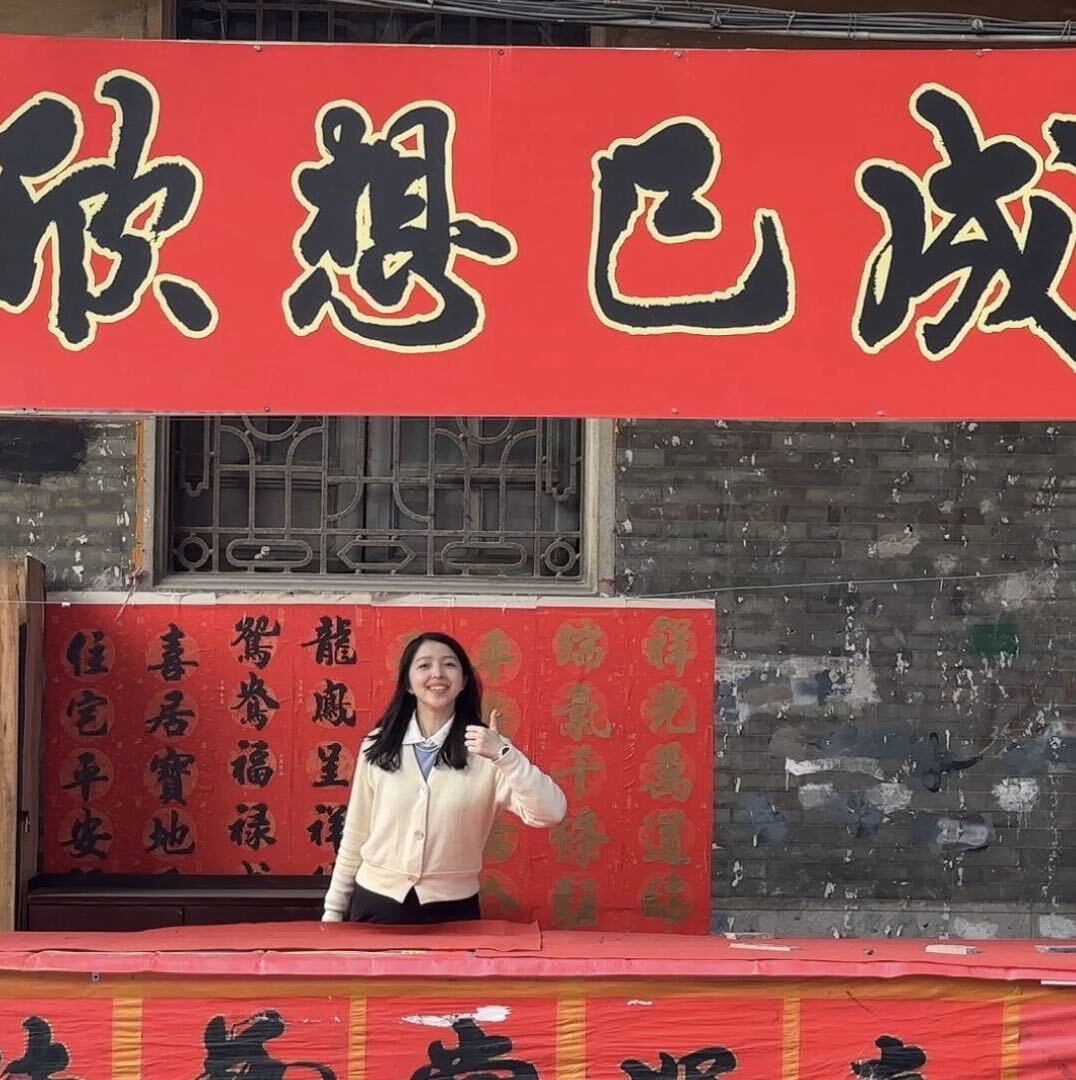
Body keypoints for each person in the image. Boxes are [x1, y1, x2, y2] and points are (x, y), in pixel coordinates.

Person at [321, 631, 567, 925]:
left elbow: (550, 812)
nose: (437, 673)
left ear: (463, 682)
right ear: (408, 684)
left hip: (454, 909)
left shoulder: (487, 750)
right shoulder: (378, 745)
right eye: (424, 665)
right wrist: (333, 910)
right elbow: (355, 833)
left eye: (449, 664)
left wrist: (504, 754)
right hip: (376, 902)